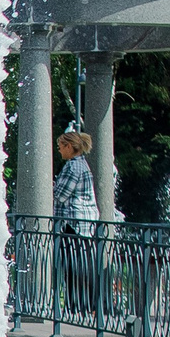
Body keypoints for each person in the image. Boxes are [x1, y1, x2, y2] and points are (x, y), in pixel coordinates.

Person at [54, 131, 99, 314]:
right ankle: (85, 305)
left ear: (69, 147)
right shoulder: (82, 164)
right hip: (84, 222)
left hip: (74, 221)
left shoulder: (73, 166)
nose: (59, 151)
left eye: (60, 147)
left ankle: (77, 306)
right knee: (82, 264)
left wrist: (52, 187)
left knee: (73, 266)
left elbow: (61, 195)